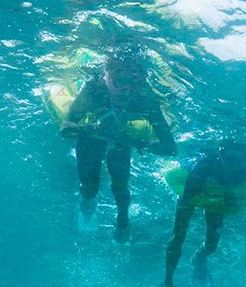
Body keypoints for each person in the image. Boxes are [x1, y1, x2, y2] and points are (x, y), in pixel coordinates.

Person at [61, 43, 177, 243]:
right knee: (91, 187)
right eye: (120, 80)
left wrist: (134, 142)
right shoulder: (94, 89)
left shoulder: (146, 100)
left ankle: (123, 222)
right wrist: (94, 130)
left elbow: (170, 149)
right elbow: (66, 127)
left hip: (123, 137)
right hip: (92, 133)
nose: (126, 89)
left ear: (142, 80)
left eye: (134, 80)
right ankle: (87, 203)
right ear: (106, 78)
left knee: (120, 186)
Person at [151, 139, 246, 287]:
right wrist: (217, 200)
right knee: (178, 238)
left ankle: (199, 258)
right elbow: (188, 195)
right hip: (193, 192)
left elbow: (241, 200)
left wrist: (224, 199)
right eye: (228, 156)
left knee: (212, 245)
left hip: (217, 196)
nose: (232, 162)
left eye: (237, 158)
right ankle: (167, 285)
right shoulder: (205, 166)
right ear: (220, 155)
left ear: (245, 159)